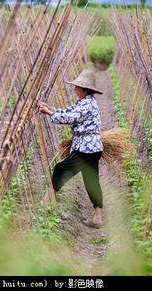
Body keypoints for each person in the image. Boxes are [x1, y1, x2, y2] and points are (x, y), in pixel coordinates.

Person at [38, 69, 104, 228]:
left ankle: (47, 202)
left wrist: (48, 113)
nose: (75, 89)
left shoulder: (87, 104)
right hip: (92, 148)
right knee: (91, 180)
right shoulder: (85, 102)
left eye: (77, 87)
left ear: (85, 89)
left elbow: (70, 118)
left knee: (60, 169)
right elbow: (68, 112)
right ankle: (98, 217)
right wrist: (51, 109)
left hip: (86, 149)